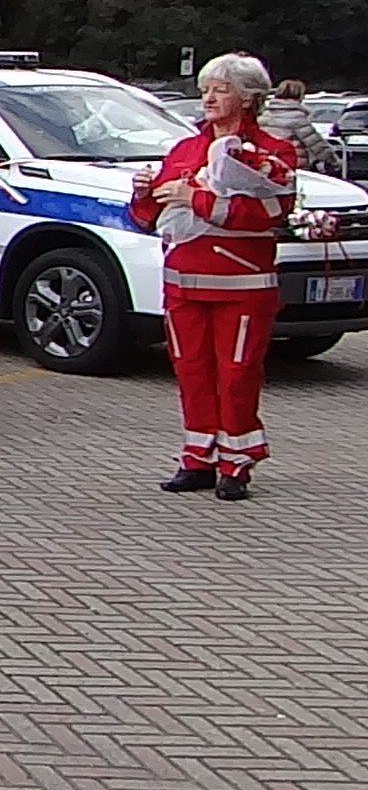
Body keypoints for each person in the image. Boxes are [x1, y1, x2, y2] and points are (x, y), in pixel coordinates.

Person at [128, 53, 296, 502]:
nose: (209, 98)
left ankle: (237, 462)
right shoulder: (185, 148)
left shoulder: (274, 152)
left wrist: (196, 199)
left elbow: (272, 212)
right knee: (191, 371)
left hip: (243, 286)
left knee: (237, 373)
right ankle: (197, 458)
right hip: (183, 282)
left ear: (248, 98)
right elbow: (150, 216)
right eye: (206, 89)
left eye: (220, 89)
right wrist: (145, 196)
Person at [261, 78, 339, 175]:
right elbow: (316, 145)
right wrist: (334, 162)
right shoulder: (297, 117)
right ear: (299, 95)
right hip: (294, 166)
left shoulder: (265, 115)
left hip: (268, 164)